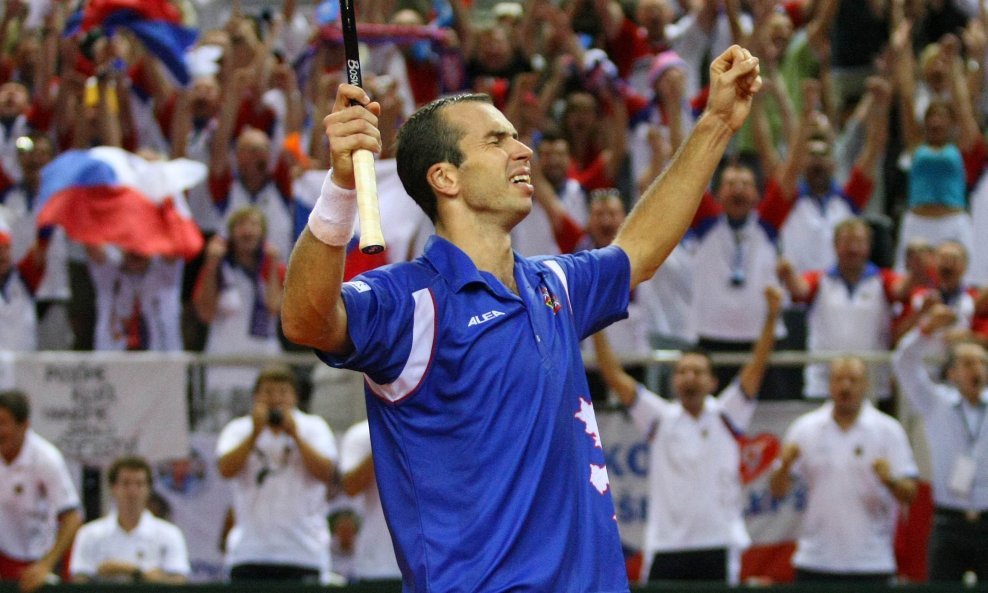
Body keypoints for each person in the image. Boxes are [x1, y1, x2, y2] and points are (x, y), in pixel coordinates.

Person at [281, 45, 761, 592]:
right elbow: (307, 320)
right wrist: (341, 187)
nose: (523, 150)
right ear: (446, 178)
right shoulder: (412, 300)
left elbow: (639, 251)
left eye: (515, 135)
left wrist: (718, 121)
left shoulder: (552, 284)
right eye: (496, 140)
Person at [592, 285, 780, 583]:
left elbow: (757, 367)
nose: (689, 378)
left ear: (713, 382)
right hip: (667, 545)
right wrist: (596, 323)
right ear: (674, 380)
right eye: (682, 372)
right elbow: (614, 376)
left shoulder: (727, 415)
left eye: (697, 371)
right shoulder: (660, 418)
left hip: (718, 542)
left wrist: (771, 316)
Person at [770, 357, 918, 582]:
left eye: (853, 379)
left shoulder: (888, 430)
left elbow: (910, 495)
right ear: (829, 385)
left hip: (871, 560)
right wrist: (785, 466)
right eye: (839, 379)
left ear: (866, 385)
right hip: (815, 559)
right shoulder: (805, 428)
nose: (845, 386)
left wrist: (890, 481)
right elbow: (777, 492)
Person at [216, 366, 338, 583]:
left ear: (295, 398)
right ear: (255, 397)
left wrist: (296, 435)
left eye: (283, 392)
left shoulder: (313, 427)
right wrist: (255, 433)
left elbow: (328, 474)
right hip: (250, 551)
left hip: (303, 551)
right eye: (268, 392)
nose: (275, 399)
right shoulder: (239, 428)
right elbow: (225, 470)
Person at [893, 305, 988, 581]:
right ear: (952, 373)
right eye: (969, 363)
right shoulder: (937, 404)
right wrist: (925, 331)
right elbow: (904, 364)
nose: (977, 370)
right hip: (949, 520)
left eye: (983, 363)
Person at [0, 390, 83, 593]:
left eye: (3, 423)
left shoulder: (46, 459)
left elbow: (73, 517)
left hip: (41, 553)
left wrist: (46, 565)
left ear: (24, 425)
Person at [69, 456, 189, 584]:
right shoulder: (89, 533)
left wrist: (134, 571)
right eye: (126, 483)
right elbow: (79, 579)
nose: (132, 491)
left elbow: (179, 581)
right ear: (113, 488)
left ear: (149, 489)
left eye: (139, 484)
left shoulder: (170, 534)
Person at [339, 419, 401, 583]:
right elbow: (350, 487)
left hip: (430, 562)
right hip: (376, 564)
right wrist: (384, 439)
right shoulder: (360, 435)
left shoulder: (432, 427)